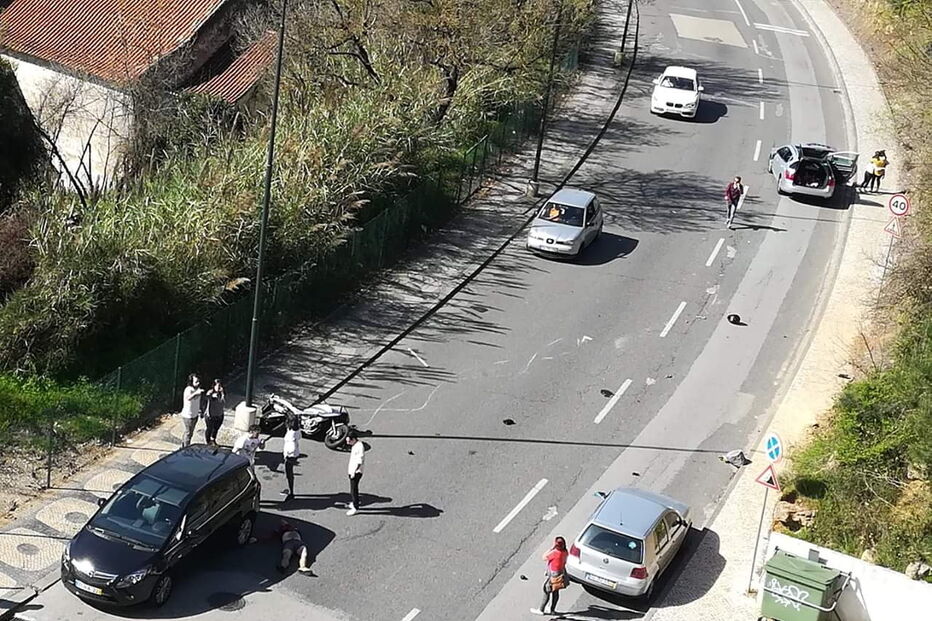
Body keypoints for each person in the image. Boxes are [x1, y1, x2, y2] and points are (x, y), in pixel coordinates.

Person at [531, 536, 569, 616]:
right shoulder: (565, 552)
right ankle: (552, 610)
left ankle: (541, 610)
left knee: (546, 590)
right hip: (560, 573)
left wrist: (551, 548)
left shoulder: (555, 553)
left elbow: (544, 557)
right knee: (555, 591)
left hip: (553, 575)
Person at [179, 374, 204, 447]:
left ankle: (183, 445)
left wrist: (201, 410)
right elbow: (188, 398)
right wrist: (196, 393)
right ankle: (186, 448)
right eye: (196, 382)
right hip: (188, 415)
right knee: (188, 433)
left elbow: (198, 402)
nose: (198, 383)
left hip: (195, 414)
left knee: (189, 432)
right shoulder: (188, 389)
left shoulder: (198, 389)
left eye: (198, 381)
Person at [281, 412, 301, 502]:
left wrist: (288, 454)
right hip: (295, 454)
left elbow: (291, 446)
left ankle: (291, 493)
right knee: (289, 473)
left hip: (290, 455)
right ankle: (290, 489)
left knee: (289, 474)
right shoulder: (296, 430)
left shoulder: (291, 433)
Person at [345, 432, 365, 516]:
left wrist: (354, 472)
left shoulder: (359, 447)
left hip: (356, 472)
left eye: (349, 441)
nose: (347, 443)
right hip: (352, 471)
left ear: (353, 439)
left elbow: (359, 462)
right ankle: (354, 503)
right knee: (353, 489)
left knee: (354, 490)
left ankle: (355, 507)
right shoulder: (355, 445)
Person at [203, 379, 225, 445]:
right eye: (217, 386)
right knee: (209, 429)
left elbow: (223, 402)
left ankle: (213, 439)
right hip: (210, 415)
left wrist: (222, 393)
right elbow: (206, 398)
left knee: (216, 428)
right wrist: (211, 396)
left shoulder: (221, 393)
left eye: (220, 386)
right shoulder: (210, 392)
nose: (218, 388)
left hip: (219, 414)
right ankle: (208, 441)